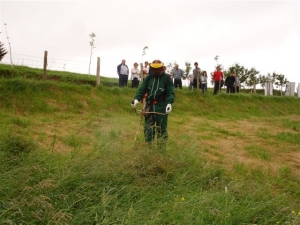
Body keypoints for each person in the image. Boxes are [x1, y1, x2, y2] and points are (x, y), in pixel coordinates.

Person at [131, 59, 175, 151]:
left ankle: (161, 150)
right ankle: (149, 149)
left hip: (162, 105)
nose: (156, 71)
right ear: (151, 68)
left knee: (161, 129)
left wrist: (169, 103)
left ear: (162, 68)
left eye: (158, 69)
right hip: (149, 105)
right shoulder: (149, 78)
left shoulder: (167, 78)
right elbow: (142, 89)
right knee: (148, 127)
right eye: (154, 69)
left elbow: (171, 92)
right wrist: (136, 99)